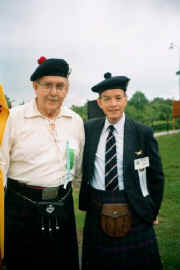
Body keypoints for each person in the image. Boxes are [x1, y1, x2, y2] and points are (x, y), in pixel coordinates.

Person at [0, 56, 85, 270]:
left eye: (60, 86)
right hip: (21, 208)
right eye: (47, 85)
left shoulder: (75, 120)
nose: (54, 92)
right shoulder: (15, 117)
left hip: (62, 205)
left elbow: (78, 166)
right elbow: (1, 164)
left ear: (67, 89)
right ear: (35, 87)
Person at [79, 72, 164, 270]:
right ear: (99, 103)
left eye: (118, 98)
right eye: (107, 99)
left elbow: (156, 176)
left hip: (134, 206)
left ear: (126, 99)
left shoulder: (142, 132)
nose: (113, 104)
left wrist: (152, 209)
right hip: (97, 206)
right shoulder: (88, 129)